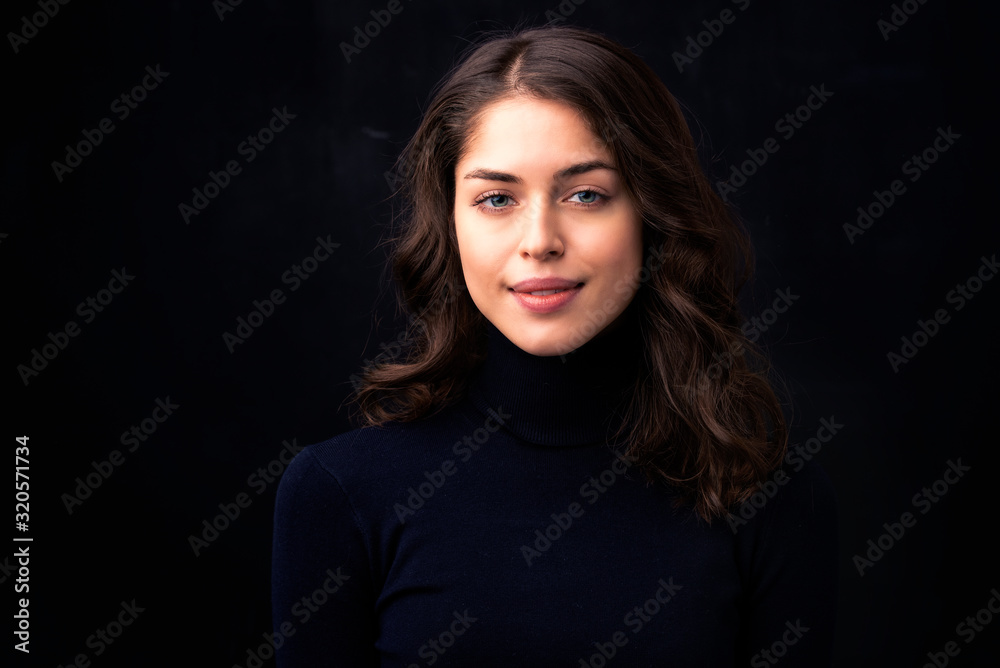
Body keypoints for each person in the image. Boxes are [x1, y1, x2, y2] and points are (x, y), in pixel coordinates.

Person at [271, 23, 837, 666]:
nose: (540, 238)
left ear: (651, 214)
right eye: (495, 198)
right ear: (448, 224)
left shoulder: (769, 498)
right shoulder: (339, 492)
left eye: (586, 194)